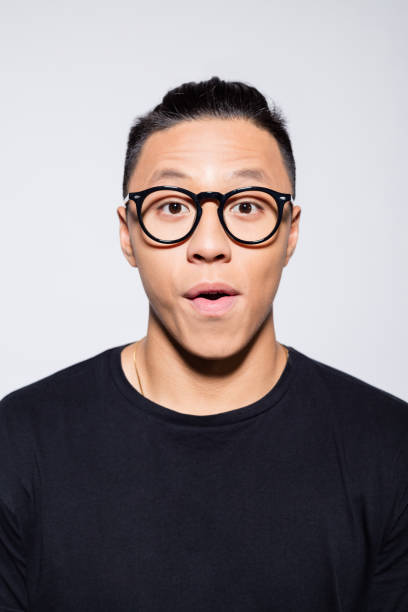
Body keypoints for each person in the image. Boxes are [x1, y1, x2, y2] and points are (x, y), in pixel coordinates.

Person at [1, 76, 407, 612]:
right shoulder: (18, 443)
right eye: (172, 207)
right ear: (128, 233)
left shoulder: (391, 449)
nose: (210, 245)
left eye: (246, 206)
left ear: (290, 233)